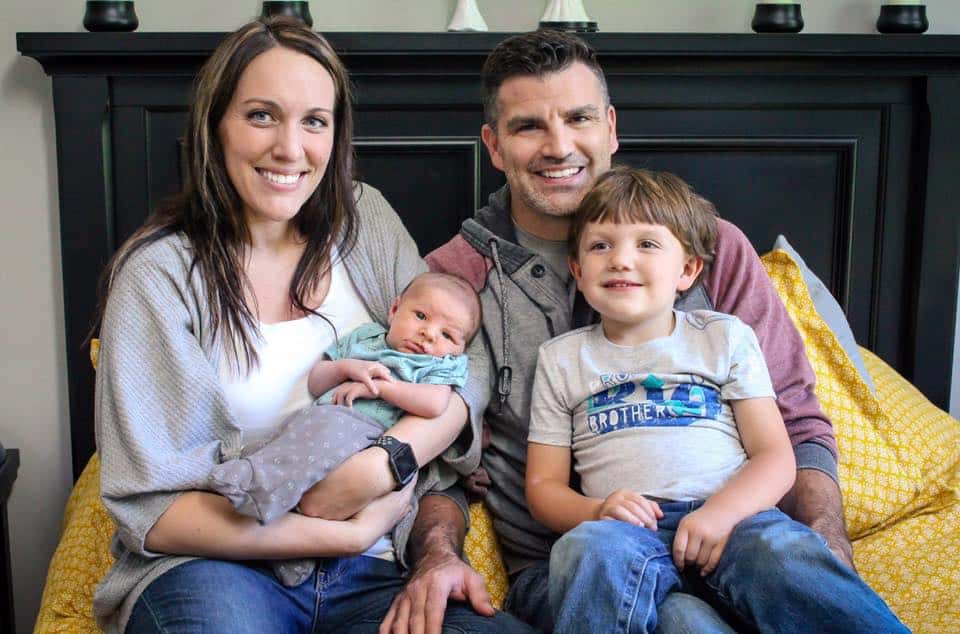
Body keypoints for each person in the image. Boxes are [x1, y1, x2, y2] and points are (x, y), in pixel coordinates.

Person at [387, 29, 859, 633]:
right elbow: (434, 461)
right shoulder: (452, 285)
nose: (559, 146)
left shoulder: (712, 249)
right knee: (683, 622)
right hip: (575, 563)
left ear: (609, 127)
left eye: (579, 118)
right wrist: (437, 555)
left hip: (728, 537)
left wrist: (824, 549)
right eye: (529, 126)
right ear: (495, 146)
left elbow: (795, 424)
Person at [91, 17, 532, 634]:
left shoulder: (364, 219)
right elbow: (149, 506)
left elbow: (464, 365)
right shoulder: (158, 275)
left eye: (315, 121)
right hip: (217, 567)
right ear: (215, 125)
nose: (290, 149)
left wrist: (387, 463)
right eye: (261, 116)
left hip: (379, 570)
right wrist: (340, 533)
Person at [526, 166, 907, 633]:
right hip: (627, 530)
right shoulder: (561, 359)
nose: (621, 260)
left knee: (787, 552)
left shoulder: (724, 337)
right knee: (585, 550)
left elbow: (775, 456)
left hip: (733, 520)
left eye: (647, 244)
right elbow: (544, 485)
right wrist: (595, 512)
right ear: (578, 270)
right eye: (600, 246)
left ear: (687, 270)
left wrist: (723, 512)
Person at [208, 272, 482, 586]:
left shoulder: (440, 366)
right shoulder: (365, 337)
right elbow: (317, 381)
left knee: (323, 440)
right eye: (420, 316)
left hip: (370, 438)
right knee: (291, 439)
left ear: (460, 350)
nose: (428, 334)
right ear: (394, 310)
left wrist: (378, 388)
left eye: (447, 335)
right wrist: (347, 368)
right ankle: (289, 549)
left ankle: (254, 487)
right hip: (319, 425)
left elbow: (434, 404)